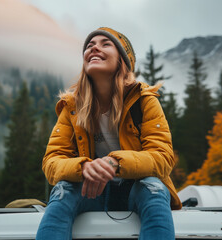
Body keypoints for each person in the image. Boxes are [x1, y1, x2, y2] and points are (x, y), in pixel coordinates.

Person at [36, 27, 182, 240]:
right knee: (63, 190)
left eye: (105, 44)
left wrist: (115, 163)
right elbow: (51, 162)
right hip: (90, 192)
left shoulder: (144, 101)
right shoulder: (71, 107)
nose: (94, 47)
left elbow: (163, 157)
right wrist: (84, 166)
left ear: (123, 60)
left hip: (136, 190)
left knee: (154, 188)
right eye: (89, 45)